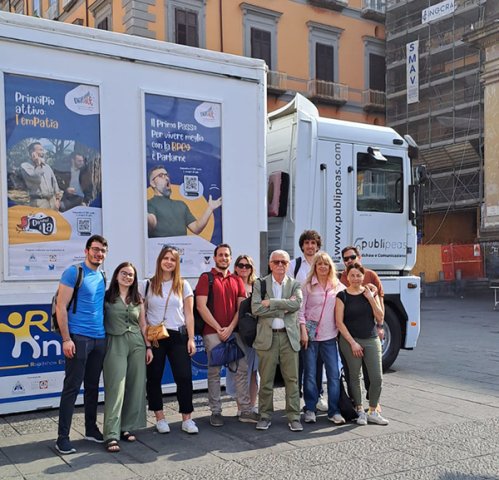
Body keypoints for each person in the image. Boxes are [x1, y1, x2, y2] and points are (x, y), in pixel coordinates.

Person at [55, 234, 108, 455]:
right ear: (86, 251)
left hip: (99, 338)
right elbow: (60, 306)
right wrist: (66, 339)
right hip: (78, 338)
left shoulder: (102, 274)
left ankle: (90, 429)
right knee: (72, 387)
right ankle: (62, 438)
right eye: (95, 249)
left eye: (102, 251)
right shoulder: (73, 272)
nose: (99, 254)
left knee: (93, 387)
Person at [195, 244, 258, 426]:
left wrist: (230, 328)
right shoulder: (206, 278)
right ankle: (216, 412)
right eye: (220, 255)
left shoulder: (236, 280)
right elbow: (201, 306)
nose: (224, 258)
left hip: (233, 332)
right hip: (212, 333)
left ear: (230, 259)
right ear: (215, 258)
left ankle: (245, 410)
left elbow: (241, 308)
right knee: (214, 373)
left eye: (227, 255)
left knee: (242, 370)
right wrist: (218, 328)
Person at [142, 246, 199, 434]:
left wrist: (191, 338)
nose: (169, 262)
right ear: (159, 260)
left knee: (184, 377)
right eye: (165, 258)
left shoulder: (183, 285)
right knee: (154, 377)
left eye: (172, 259)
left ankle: (187, 419)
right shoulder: (148, 285)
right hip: (156, 337)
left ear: (177, 263)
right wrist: (147, 343)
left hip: (177, 335)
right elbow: (142, 315)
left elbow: (189, 315)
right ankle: (160, 418)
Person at [102, 262, 153, 453]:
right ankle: (111, 433)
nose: (127, 277)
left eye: (131, 275)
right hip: (115, 342)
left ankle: (127, 427)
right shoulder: (106, 297)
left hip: (137, 344)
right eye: (124, 273)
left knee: (136, 386)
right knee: (116, 388)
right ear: (116, 275)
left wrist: (148, 346)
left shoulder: (138, 298)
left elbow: (143, 324)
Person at [252, 250, 303, 432]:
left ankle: (294, 417)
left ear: (288, 264)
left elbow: (297, 304)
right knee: (266, 380)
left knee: (292, 380)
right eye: (276, 262)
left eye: (284, 262)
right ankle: (265, 416)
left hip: (289, 338)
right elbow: (256, 309)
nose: (280, 265)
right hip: (267, 338)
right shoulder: (260, 283)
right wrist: (284, 306)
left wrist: (271, 302)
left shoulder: (295, 284)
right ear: (270, 264)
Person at [335, 263, 389, 425]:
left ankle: (373, 410)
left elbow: (380, 317)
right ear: (347, 277)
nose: (355, 278)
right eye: (352, 275)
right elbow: (339, 322)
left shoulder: (369, 293)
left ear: (363, 277)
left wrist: (371, 298)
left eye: (358, 275)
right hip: (350, 341)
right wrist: (353, 343)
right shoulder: (342, 296)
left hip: (371, 338)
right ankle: (359, 410)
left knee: (377, 377)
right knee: (354, 376)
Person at [299, 252, 346, 424]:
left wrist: (370, 289)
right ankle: (310, 408)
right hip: (310, 337)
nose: (323, 267)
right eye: (319, 264)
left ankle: (334, 411)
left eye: (326, 264)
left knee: (333, 374)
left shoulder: (337, 286)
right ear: (315, 267)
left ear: (330, 267)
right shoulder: (307, 286)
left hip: (330, 336)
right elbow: (300, 311)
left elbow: (351, 295)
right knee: (310, 374)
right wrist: (303, 331)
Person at [340, 245, 385, 411]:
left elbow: (380, 301)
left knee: (371, 371)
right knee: (352, 372)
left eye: (352, 257)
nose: (349, 260)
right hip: (349, 335)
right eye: (346, 258)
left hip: (369, 332)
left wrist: (380, 326)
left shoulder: (371, 275)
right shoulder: (340, 278)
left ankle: (373, 401)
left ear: (359, 257)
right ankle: (356, 403)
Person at [289, 230, 327, 412]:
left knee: (318, 361)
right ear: (302, 246)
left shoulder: (324, 264)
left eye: (313, 243)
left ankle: (318, 395)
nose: (310, 246)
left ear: (318, 246)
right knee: (299, 363)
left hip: (319, 323)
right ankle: (296, 398)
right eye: (307, 243)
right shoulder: (294, 265)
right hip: (298, 320)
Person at [226, 254, 259, 415]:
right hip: (237, 333)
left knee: (253, 371)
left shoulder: (258, 285)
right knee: (238, 371)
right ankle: (241, 407)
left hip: (254, 335)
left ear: (252, 268)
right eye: (241, 265)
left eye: (247, 266)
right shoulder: (231, 283)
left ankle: (252, 405)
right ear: (236, 267)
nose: (244, 268)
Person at [147, 166, 222, 238]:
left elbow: (196, 228)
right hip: (160, 247)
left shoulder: (181, 205)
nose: (167, 178)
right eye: (161, 176)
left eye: (167, 175)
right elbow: (152, 222)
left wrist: (210, 208)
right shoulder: (149, 204)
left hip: (182, 247)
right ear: (153, 183)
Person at [20, 141, 62, 209]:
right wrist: (38, 163)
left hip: (52, 201)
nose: (43, 152)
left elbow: (54, 183)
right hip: (39, 202)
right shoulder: (25, 166)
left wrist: (57, 199)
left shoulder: (47, 166)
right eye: (40, 150)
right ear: (32, 152)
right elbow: (36, 179)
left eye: (43, 150)